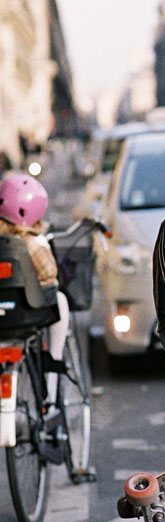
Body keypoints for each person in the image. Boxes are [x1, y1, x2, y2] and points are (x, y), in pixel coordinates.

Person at [0, 173, 68, 406]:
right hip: (27, 315)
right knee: (59, 299)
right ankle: (54, 366)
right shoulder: (33, 244)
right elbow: (50, 274)